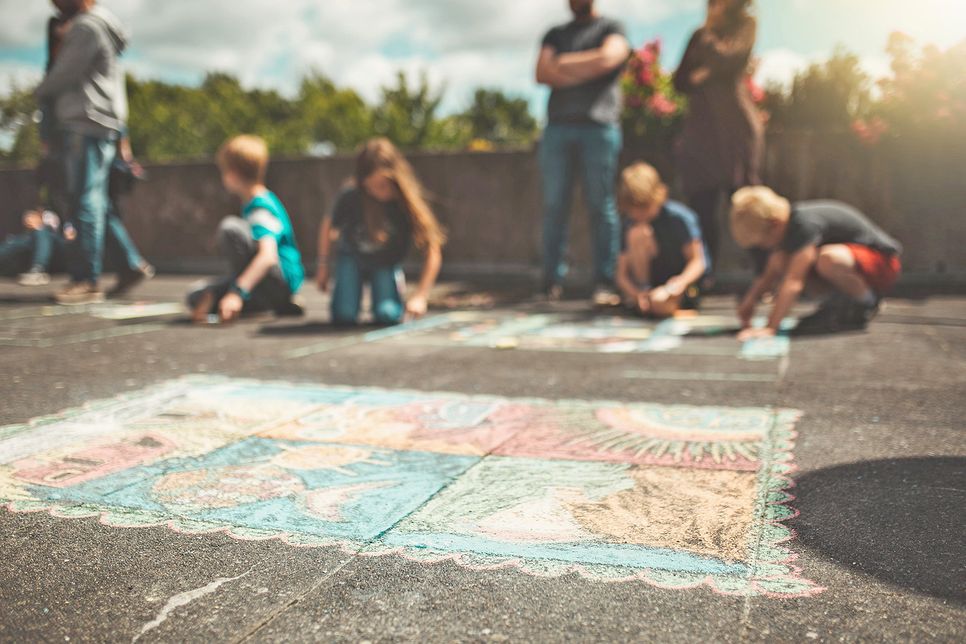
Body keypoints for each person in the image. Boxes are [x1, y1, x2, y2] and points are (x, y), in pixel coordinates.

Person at [535, 0, 630, 305]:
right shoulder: (555, 33)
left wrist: (563, 65)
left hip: (599, 127)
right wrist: (591, 67)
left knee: (602, 206)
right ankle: (551, 281)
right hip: (558, 127)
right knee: (554, 206)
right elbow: (542, 72)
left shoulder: (612, 28)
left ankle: (604, 280)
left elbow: (610, 58)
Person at [35, 0, 128, 305]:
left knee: (85, 199)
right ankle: (130, 264)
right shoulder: (102, 25)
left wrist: (40, 91)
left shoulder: (86, 27)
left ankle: (87, 280)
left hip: (85, 120)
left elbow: (63, 74)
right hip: (100, 120)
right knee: (95, 200)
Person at [730, 187, 903, 337]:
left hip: (883, 264)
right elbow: (769, 273)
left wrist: (770, 328)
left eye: (763, 242)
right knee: (780, 259)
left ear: (774, 224)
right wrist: (750, 300)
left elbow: (793, 281)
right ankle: (836, 303)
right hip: (855, 266)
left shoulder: (804, 224)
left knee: (827, 259)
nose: (764, 247)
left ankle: (867, 302)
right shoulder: (789, 226)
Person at [673, 0, 763, 281]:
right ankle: (703, 277)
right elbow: (680, 80)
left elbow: (731, 60)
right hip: (701, 131)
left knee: (746, 201)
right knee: (702, 203)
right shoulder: (697, 35)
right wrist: (708, 70)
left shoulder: (745, 26)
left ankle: (765, 273)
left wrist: (709, 60)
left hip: (734, 128)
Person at [316, 138, 445, 326]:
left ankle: (393, 282)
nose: (377, 192)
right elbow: (327, 225)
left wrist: (420, 296)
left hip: (385, 261)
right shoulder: (352, 194)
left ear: (396, 179)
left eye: (383, 185)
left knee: (387, 315)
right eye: (370, 186)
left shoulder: (406, 202)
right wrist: (323, 265)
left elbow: (433, 249)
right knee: (344, 315)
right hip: (352, 256)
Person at [187, 135, 306, 324]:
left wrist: (236, 293)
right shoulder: (254, 203)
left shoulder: (260, 207)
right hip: (271, 284)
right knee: (196, 295)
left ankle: (268, 301)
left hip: (278, 282)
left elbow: (268, 257)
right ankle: (264, 302)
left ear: (232, 174)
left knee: (230, 228)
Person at [615, 163, 708, 318]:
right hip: (647, 284)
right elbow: (621, 274)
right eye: (634, 209)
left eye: (644, 207)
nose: (639, 214)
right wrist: (635, 294)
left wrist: (678, 284)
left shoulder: (679, 218)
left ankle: (670, 306)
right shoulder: (629, 224)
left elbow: (698, 261)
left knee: (659, 304)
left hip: (676, 284)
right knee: (637, 234)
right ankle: (646, 291)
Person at [0, 210, 64, 286]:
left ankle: (38, 270)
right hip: (32, 247)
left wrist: (39, 226)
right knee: (15, 241)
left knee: (41, 231)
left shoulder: (49, 218)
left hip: (57, 249)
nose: (29, 221)